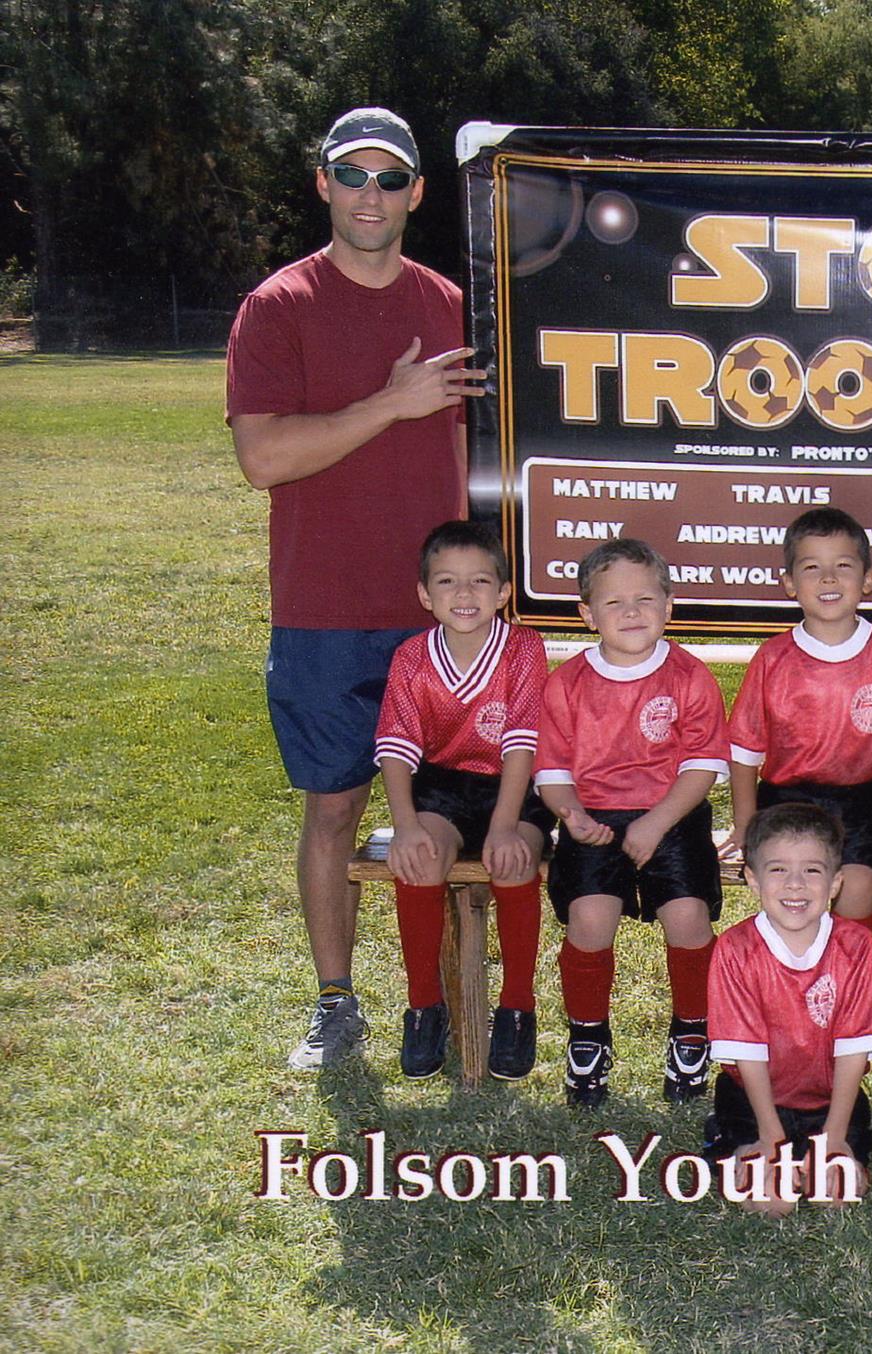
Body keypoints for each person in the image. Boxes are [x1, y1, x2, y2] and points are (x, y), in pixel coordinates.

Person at [227, 107, 486, 1069]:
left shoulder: (455, 305)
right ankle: (336, 1002)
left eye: (389, 178)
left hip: (447, 618)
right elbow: (263, 458)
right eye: (352, 175)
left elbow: (486, 450)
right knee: (334, 809)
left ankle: (451, 1006)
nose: (369, 195)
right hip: (326, 610)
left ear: (418, 193)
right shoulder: (279, 306)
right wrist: (392, 402)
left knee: (458, 812)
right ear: (323, 185)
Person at [533, 539, 728, 1108]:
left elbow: (702, 767)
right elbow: (552, 774)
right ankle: (588, 1037)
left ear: (668, 605)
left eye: (645, 599)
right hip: (593, 816)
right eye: (614, 602)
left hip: (673, 813)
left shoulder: (689, 676)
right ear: (587, 614)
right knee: (590, 917)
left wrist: (657, 822)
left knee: (687, 916)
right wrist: (571, 814)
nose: (632, 612)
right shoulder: (568, 683)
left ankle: (692, 1030)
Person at [373, 522, 552, 1081]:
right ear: (425, 594)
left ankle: (517, 1006)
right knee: (421, 860)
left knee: (514, 860)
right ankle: (425, 1007)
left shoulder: (523, 648)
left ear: (503, 592)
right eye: (447, 581)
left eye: (480, 581)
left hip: (514, 790)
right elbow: (396, 747)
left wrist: (504, 825)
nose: (465, 593)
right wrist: (405, 826)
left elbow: (522, 743)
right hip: (443, 788)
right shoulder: (412, 657)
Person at [725, 508, 872, 932]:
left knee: (856, 890)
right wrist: (745, 824)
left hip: (864, 800)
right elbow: (744, 752)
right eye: (812, 568)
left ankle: (848, 970)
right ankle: (796, 971)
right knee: (796, 896)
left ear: (867, 578)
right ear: (789, 583)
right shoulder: (774, 657)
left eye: (843, 566)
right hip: (788, 800)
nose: (828, 579)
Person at [705, 803, 872, 1217]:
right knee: (772, 1202)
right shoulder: (736, 949)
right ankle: (734, 1143)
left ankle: (827, 1156)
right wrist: (771, 1140)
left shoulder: (856, 947)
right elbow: (747, 1053)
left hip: (832, 1103)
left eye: (812, 870)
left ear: (836, 882)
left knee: (835, 1194)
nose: (795, 884)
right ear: (753, 879)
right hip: (753, 1102)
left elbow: (854, 1048)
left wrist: (835, 1138)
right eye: (778, 870)